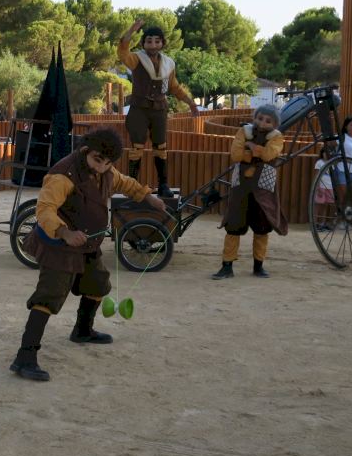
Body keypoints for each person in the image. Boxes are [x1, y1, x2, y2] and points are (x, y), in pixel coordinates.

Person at [10, 128, 166, 382]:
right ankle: (24, 357)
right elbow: (45, 209)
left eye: (107, 163)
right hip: (59, 245)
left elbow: (125, 182)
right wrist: (64, 232)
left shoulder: (106, 171)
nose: (101, 167)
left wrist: (148, 198)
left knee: (98, 284)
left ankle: (83, 330)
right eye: (97, 160)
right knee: (49, 296)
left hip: (88, 244)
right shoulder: (63, 175)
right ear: (85, 150)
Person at [117, 20, 196, 197]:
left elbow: (174, 87)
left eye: (157, 41)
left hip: (159, 109)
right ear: (143, 43)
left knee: (161, 146)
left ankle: (163, 185)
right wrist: (131, 30)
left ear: (162, 43)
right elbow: (122, 51)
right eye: (149, 41)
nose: (153, 45)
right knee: (137, 147)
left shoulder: (169, 63)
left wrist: (190, 103)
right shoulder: (136, 59)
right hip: (139, 109)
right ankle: (132, 186)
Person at [213, 104, 288, 279]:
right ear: (254, 117)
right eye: (260, 118)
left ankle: (258, 266)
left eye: (268, 121)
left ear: (275, 124)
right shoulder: (243, 131)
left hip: (263, 188)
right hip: (241, 186)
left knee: (262, 227)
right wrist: (254, 153)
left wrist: (251, 147)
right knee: (233, 224)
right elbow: (236, 155)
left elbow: (269, 155)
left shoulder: (277, 137)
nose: (262, 123)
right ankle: (227, 266)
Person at [312, 147, 335, 231]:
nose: (326, 154)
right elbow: (316, 176)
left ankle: (322, 223)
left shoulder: (332, 163)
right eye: (325, 152)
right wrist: (318, 187)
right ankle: (314, 223)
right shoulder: (319, 163)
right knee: (318, 205)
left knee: (326, 205)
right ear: (322, 153)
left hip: (330, 187)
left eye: (328, 152)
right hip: (321, 186)